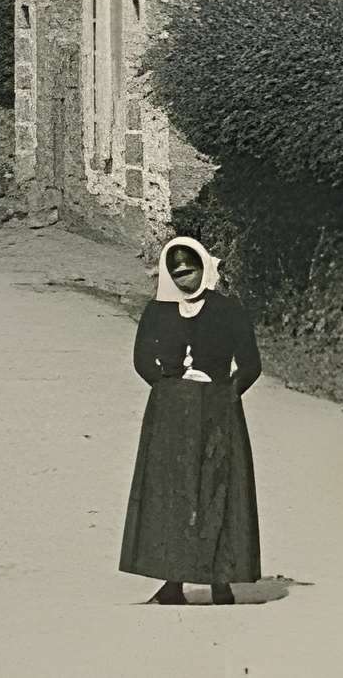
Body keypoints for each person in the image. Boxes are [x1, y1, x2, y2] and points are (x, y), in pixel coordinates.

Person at [120, 234, 262, 607]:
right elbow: (141, 359)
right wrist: (166, 389)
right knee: (172, 493)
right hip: (170, 413)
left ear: (204, 267)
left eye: (191, 270)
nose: (186, 278)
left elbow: (251, 364)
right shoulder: (157, 313)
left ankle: (221, 582)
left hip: (217, 409)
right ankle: (173, 584)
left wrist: (228, 395)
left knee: (218, 489)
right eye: (178, 273)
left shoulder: (228, 310)